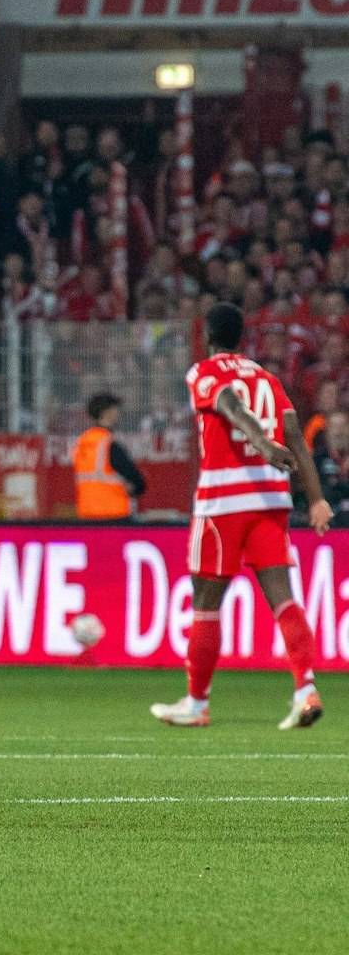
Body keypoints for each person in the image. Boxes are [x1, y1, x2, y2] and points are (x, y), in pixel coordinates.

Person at [151, 303, 332, 731]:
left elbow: (230, 405)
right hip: (271, 500)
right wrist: (317, 499)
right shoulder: (268, 379)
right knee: (283, 598)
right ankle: (305, 689)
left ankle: (196, 703)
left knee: (206, 604)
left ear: (208, 335)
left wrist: (260, 443)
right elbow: (295, 439)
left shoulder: (204, 372)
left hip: (223, 504)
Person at [73, 393, 147, 521]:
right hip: (114, 516)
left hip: (87, 515)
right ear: (108, 413)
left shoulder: (82, 443)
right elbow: (138, 482)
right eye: (116, 409)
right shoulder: (109, 444)